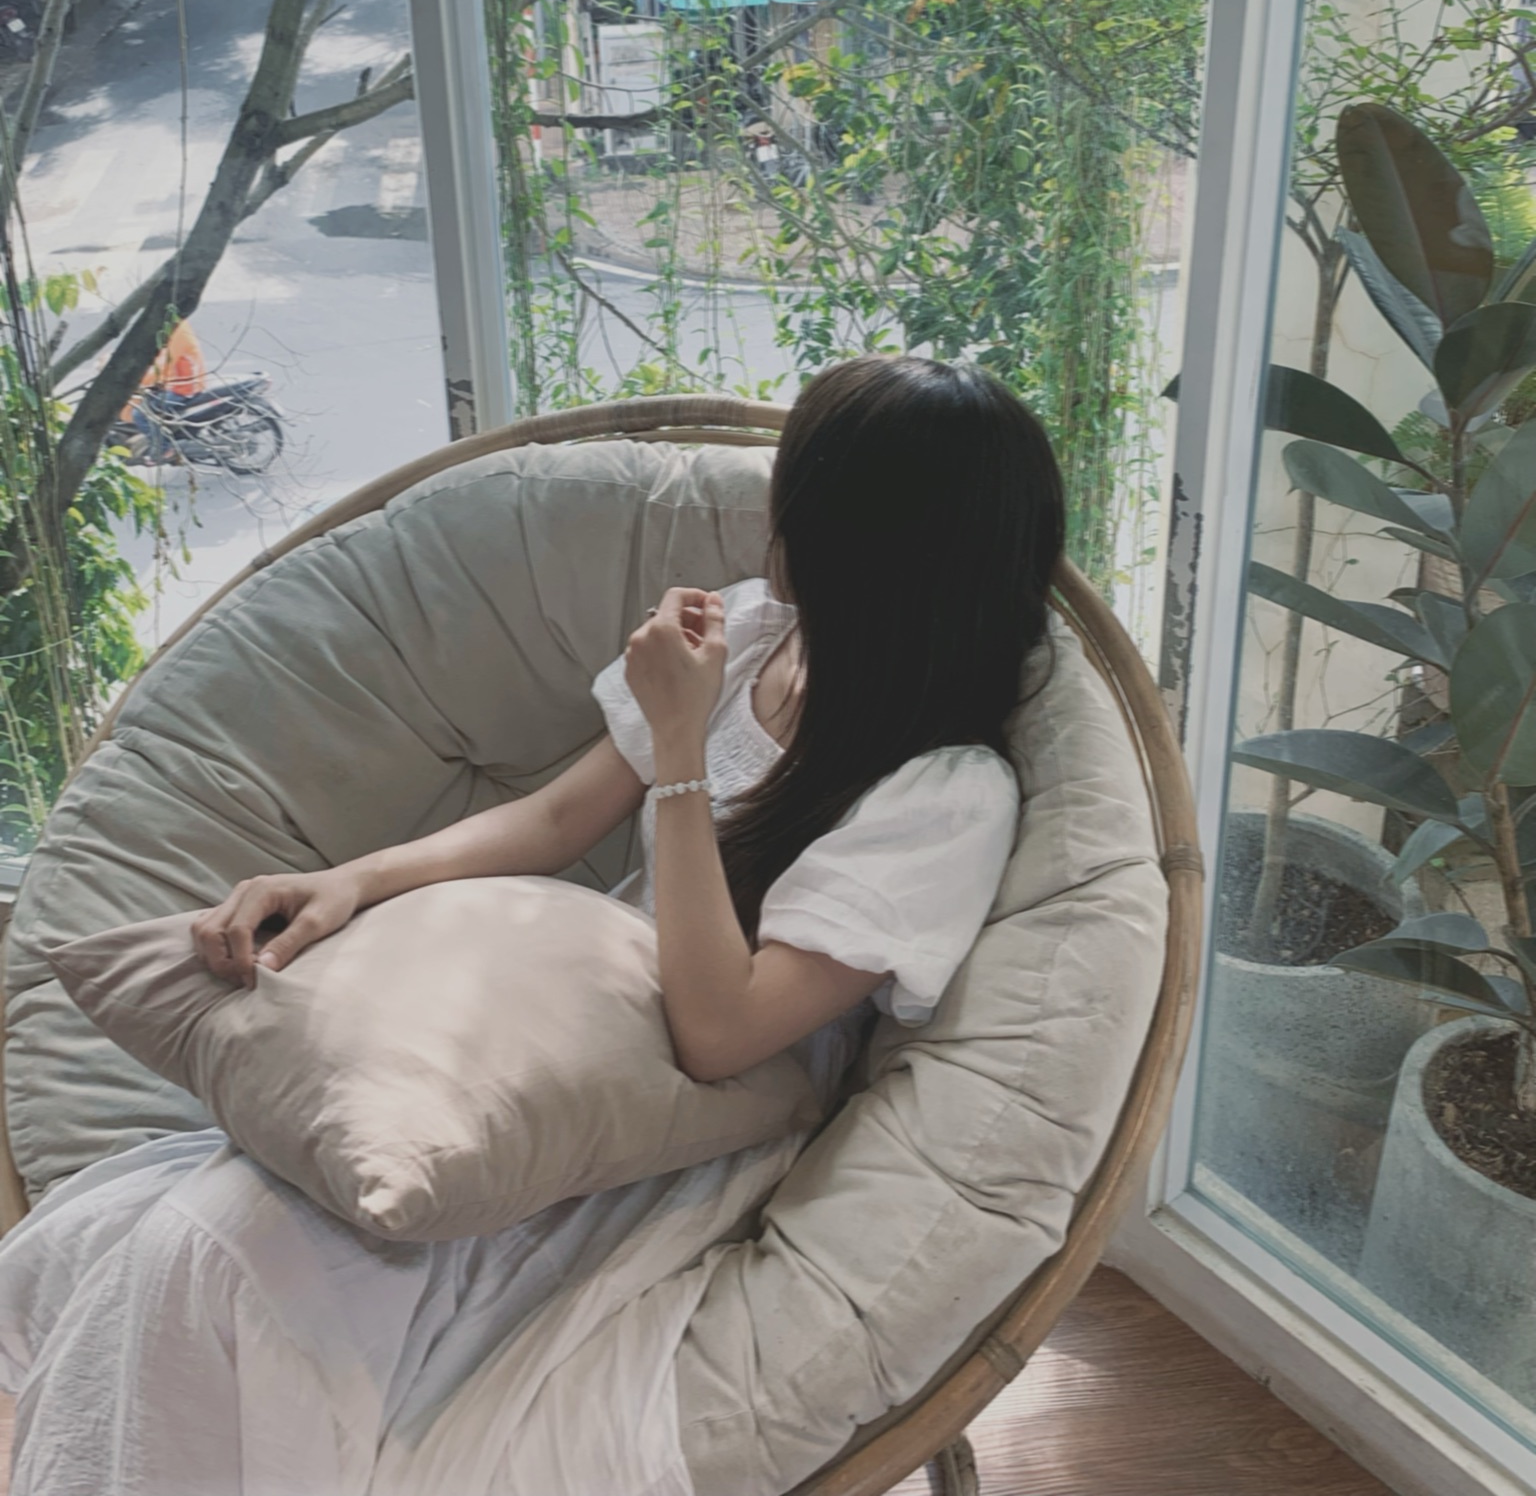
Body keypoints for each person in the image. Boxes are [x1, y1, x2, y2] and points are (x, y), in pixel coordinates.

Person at [0, 354, 1066, 1496]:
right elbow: (557, 817)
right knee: (149, 1248)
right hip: (555, 1024)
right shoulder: (762, 636)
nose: (772, 515)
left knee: (216, 1260)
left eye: (797, 491)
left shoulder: (944, 794)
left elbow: (721, 1031)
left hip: (668, 1116)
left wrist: (679, 746)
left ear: (859, 538)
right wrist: (348, 881)